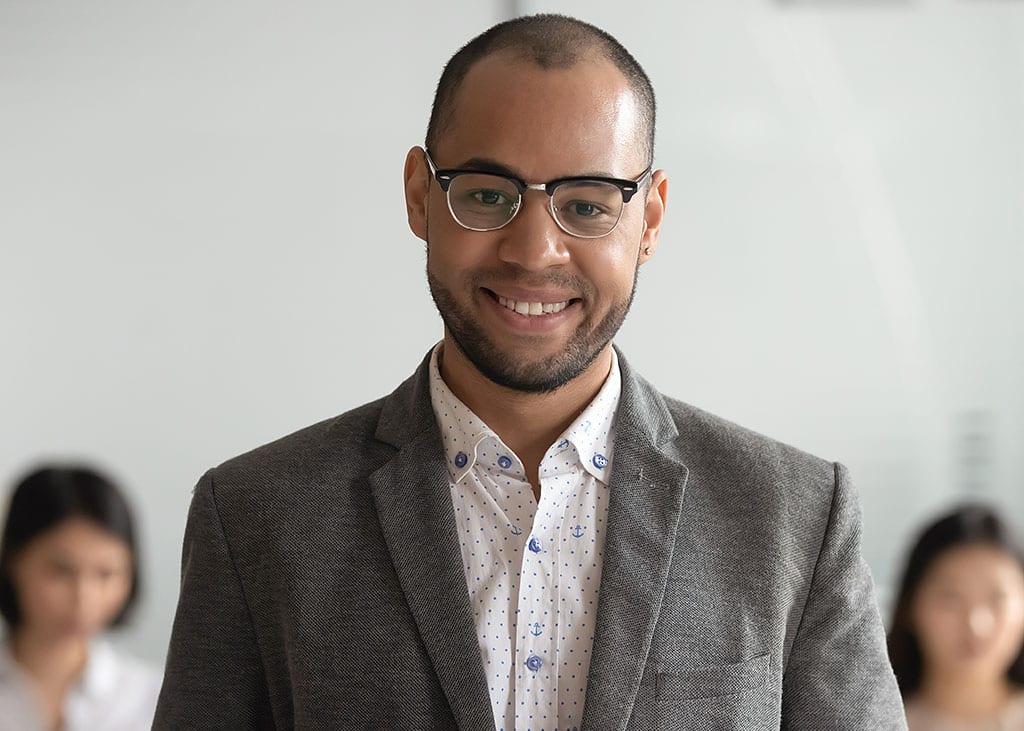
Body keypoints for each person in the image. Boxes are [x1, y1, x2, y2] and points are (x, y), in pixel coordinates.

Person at [154, 13, 905, 729]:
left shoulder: (794, 518)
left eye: (587, 204)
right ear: (421, 195)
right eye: (487, 194)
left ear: (650, 217)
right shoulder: (258, 515)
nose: (535, 250)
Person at [0, 465, 161, 731]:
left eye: (106, 574)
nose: (84, 598)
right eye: (61, 570)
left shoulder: (150, 700)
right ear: (14, 562)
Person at [888, 504, 1024, 730]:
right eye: (950, 599)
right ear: (910, 606)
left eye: (997, 599)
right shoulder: (873, 721)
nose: (976, 625)